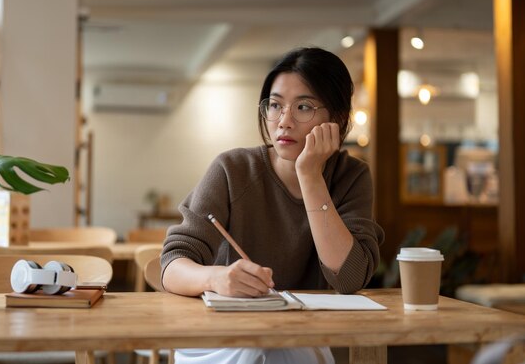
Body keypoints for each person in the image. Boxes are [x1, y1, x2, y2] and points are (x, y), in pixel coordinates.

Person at [161, 46, 385, 364]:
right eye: (275, 105)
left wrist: (309, 175)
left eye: (303, 107)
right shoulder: (232, 169)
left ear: (336, 118)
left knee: (286, 349)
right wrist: (216, 278)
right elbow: (171, 265)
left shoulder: (351, 177)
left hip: (303, 338)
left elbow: (348, 278)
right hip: (228, 335)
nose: (284, 121)